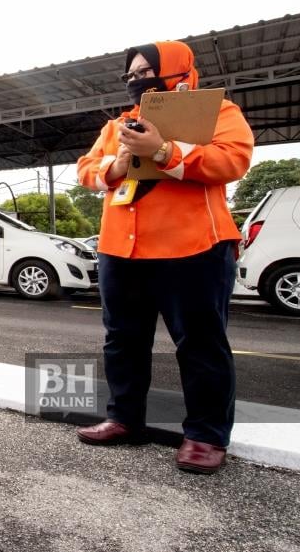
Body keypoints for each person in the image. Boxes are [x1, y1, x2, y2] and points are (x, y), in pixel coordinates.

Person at [75, 40, 253, 474]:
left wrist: (162, 150)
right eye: (131, 76)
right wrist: (117, 164)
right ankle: (124, 418)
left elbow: (233, 161)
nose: (137, 82)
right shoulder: (117, 125)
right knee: (123, 340)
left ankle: (206, 436)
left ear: (176, 72)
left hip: (192, 247)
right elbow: (86, 169)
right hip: (122, 247)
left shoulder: (218, 113)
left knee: (200, 344)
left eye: (146, 73)